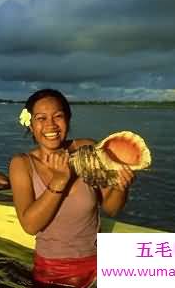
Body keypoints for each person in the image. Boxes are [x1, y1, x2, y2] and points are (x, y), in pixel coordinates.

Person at [9, 89, 135, 288]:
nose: (51, 125)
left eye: (58, 116)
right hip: (52, 274)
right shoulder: (22, 164)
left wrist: (121, 186)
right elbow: (30, 225)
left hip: (98, 269)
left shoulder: (88, 150)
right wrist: (59, 181)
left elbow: (111, 208)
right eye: (41, 118)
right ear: (31, 125)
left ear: (68, 119)